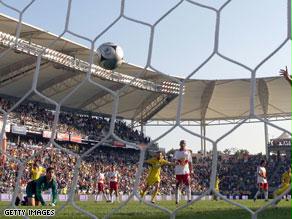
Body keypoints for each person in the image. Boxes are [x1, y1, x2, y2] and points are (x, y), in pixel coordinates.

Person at [174, 140, 193, 204]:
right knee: (177, 185)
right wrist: (177, 162)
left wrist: (191, 170)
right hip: (178, 171)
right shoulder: (177, 152)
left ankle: (189, 199)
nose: (182, 144)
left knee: (188, 184)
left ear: (185, 144)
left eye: (183, 143)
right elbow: (175, 160)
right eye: (181, 143)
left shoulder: (188, 152)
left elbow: (190, 162)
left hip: (185, 171)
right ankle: (177, 200)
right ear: (179, 144)